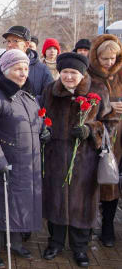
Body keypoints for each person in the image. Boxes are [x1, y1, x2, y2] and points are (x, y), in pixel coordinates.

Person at [40, 52, 118, 267]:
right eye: (64, 72)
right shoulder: (50, 90)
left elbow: (110, 122)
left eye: (73, 73)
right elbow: (42, 114)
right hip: (55, 157)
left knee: (81, 204)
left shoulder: (98, 91)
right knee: (55, 200)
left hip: (85, 160)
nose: (68, 77)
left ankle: (80, 248)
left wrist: (91, 129)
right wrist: (43, 131)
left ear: (82, 74)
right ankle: (54, 243)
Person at [0, 49, 45, 268]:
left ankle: (15, 242)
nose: (23, 73)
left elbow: (31, 120)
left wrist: (44, 129)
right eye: (17, 69)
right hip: (4, 162)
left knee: (20, 205)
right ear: (5, 70)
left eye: (25, 69)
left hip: (27, 162)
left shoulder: (27, 94)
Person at [87, 34, 122, 248]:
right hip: (99, 137)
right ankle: (90, 223)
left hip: (121, 137)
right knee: (96, 181)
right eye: (104, 59)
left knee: (113, 182)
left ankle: (108, 226)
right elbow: (85, 106)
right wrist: (108, 109)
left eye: (113, 58)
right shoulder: (89, 75)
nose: (109, 63)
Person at [0, 26, 54, 98]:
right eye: (8, 41)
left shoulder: (42, 70)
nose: (9, 45)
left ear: (26, 45)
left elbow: (49, 98)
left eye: (15, 41)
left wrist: (30, 102)